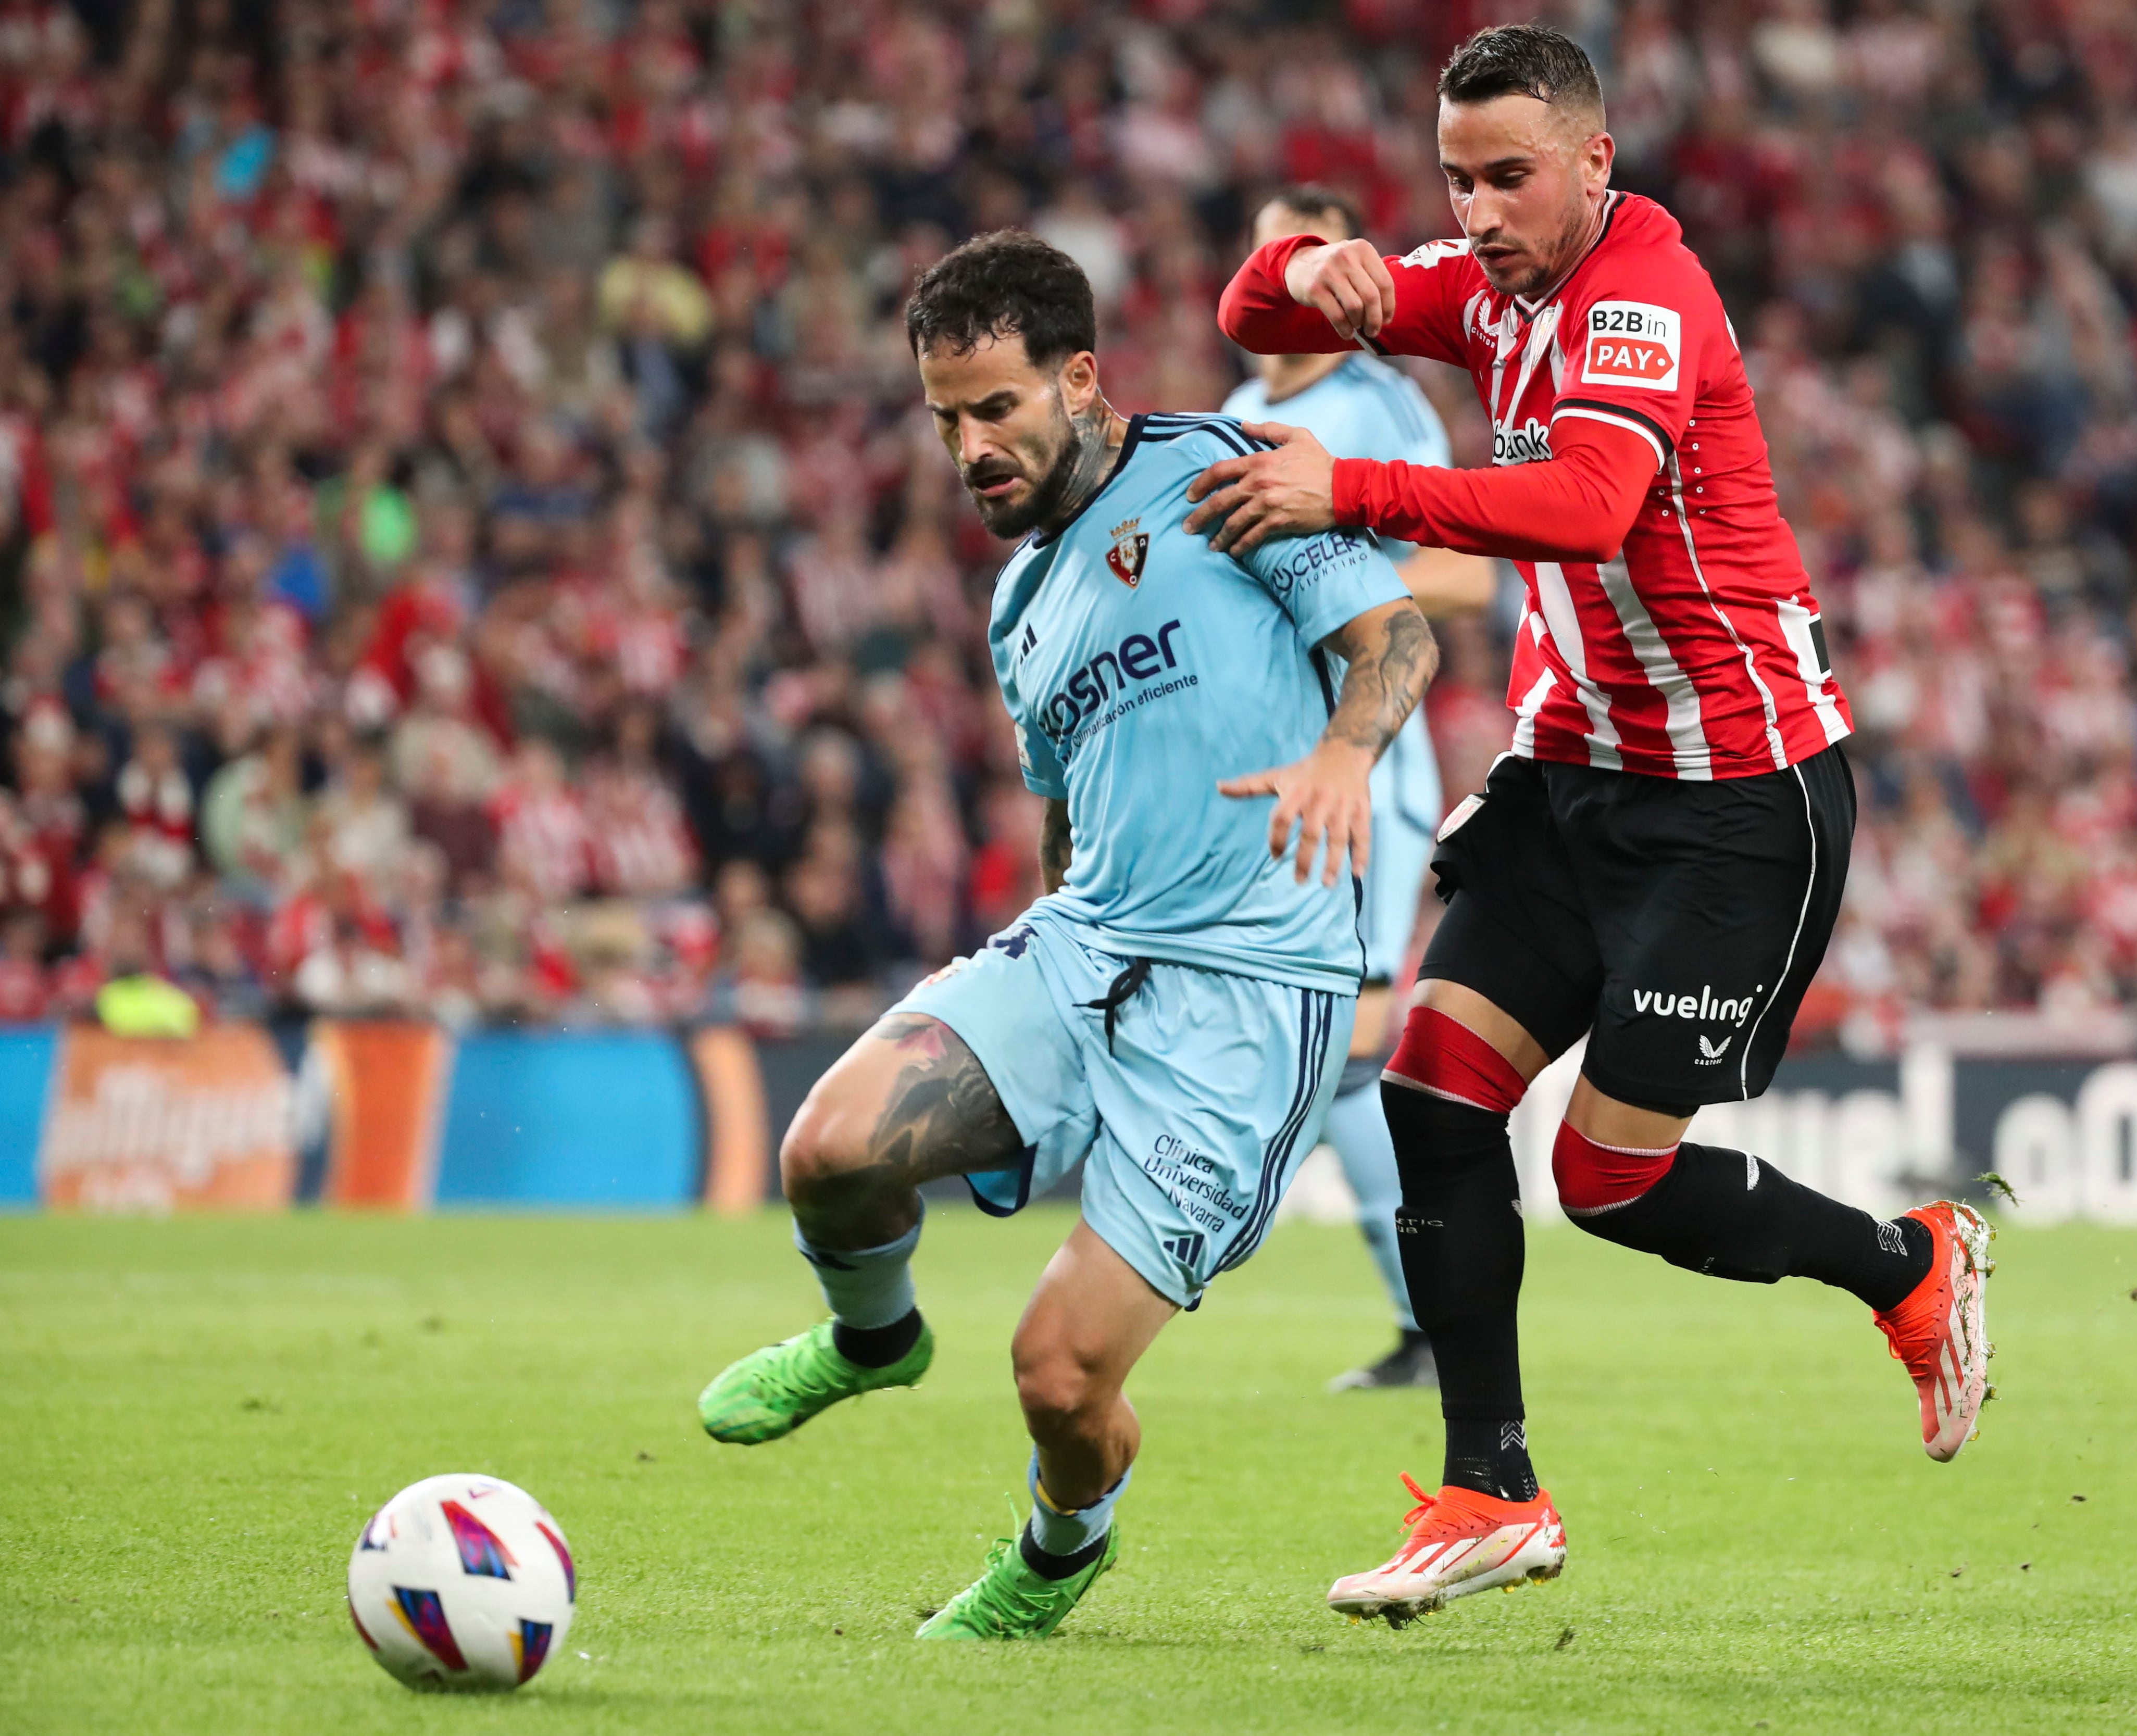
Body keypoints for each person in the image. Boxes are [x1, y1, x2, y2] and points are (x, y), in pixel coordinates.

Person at [1196, 23, 1992, 1622]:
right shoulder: (1482, 283)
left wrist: (1353, 487)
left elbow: (1585, 506)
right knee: (1432, 1090)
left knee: (1609, 1175)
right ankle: (1492, 1492)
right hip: (1575, 775)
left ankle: (1909, 1264)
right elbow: (1247, 319)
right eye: (1456, 181)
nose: (1478, 212)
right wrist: (1308, 266)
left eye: (1510, 177)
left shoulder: (1643, 296)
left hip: (1735, 795)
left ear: (1594, 162)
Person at [695, 232, 1436, 1639]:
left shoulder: (1224, 470)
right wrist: (1040, 942)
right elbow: (1065, 801)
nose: (970, 448)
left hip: (1249, 995)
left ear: (1080, 379)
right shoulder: (1020, 601)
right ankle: (874, 1336)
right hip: (1087, 942)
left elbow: (1396, 636)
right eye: (946, 421)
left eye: (996, 408)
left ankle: (1058, 1548)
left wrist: (1344, 759)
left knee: (1058, 1376)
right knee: (827, 1151)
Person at [1222, 185, 1497, 1393]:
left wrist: (1320, 568)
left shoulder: (1377, 404)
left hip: (1366, 769)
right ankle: (1430, 1320)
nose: (1296, 277)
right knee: (1330, 1052)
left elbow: (1466, 577)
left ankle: (1443, 1313)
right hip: (1266, 773)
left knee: (1346, 1041)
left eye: (1317, 257)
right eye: (1275, 254)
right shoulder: (1235, 416)